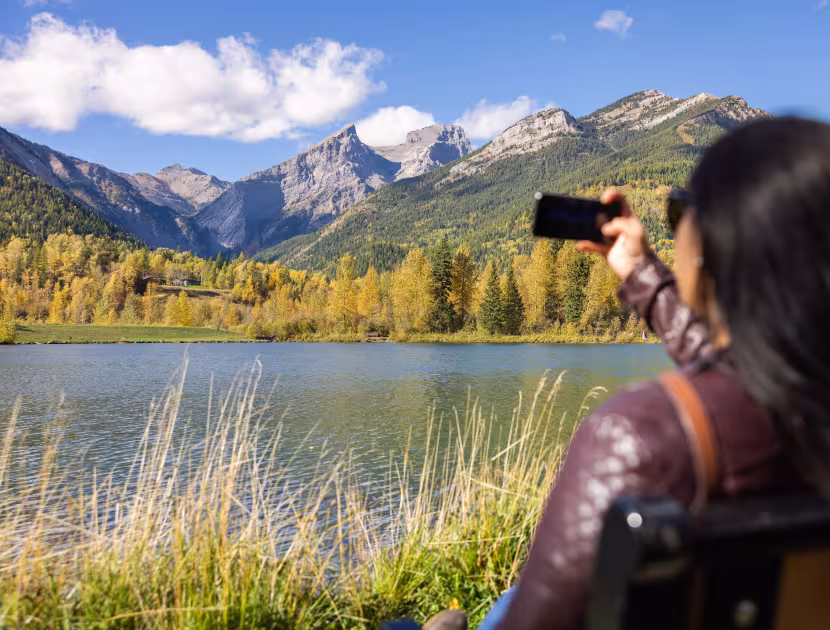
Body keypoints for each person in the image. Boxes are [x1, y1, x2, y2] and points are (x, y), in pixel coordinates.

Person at [465, 115, 830, 630]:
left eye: (681, 211)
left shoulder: (635, 437)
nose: (676, 229)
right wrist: (641, 272)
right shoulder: (801, 399)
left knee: (505, 605)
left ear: (713, 250)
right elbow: (748, 370)